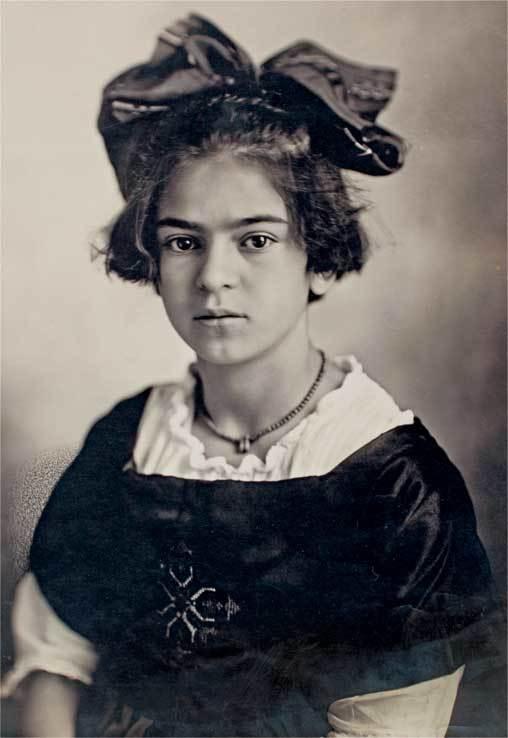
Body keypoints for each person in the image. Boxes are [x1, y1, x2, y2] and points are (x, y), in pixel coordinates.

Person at [3, 14, 503, 738]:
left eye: (256, 240)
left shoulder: (396, 485)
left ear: (316, 254)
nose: (214, 277)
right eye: (183, 242)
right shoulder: (128, 442)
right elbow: (55, 661)